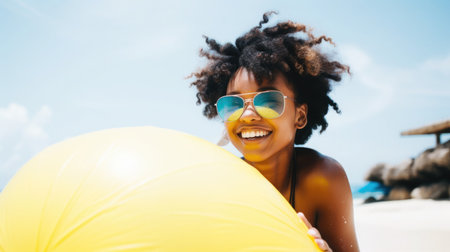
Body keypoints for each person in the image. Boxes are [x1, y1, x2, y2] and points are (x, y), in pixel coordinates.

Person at [189, 11, 359, 252]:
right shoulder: (216, 185)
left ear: (300, 116)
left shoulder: (323, 178)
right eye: (233, 105)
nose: (247, 116)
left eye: (268, 102)